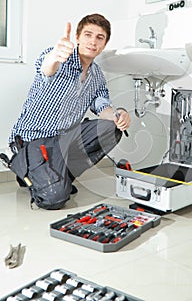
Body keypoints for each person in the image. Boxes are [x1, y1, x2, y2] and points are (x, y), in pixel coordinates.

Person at [7, 13, 130, 209]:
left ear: (104, 44)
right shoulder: (58, 57)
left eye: (100, 37)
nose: (93, 41)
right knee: (53, 199)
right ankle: (27, 167)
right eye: (88, 35)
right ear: (78, 37)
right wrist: (55, 56)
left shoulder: (97, 75)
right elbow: (47, 69)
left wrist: (119, 115)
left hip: (64, 140)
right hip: (34, 139)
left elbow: (103, 107)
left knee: (111, 128)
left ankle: (51, 175)